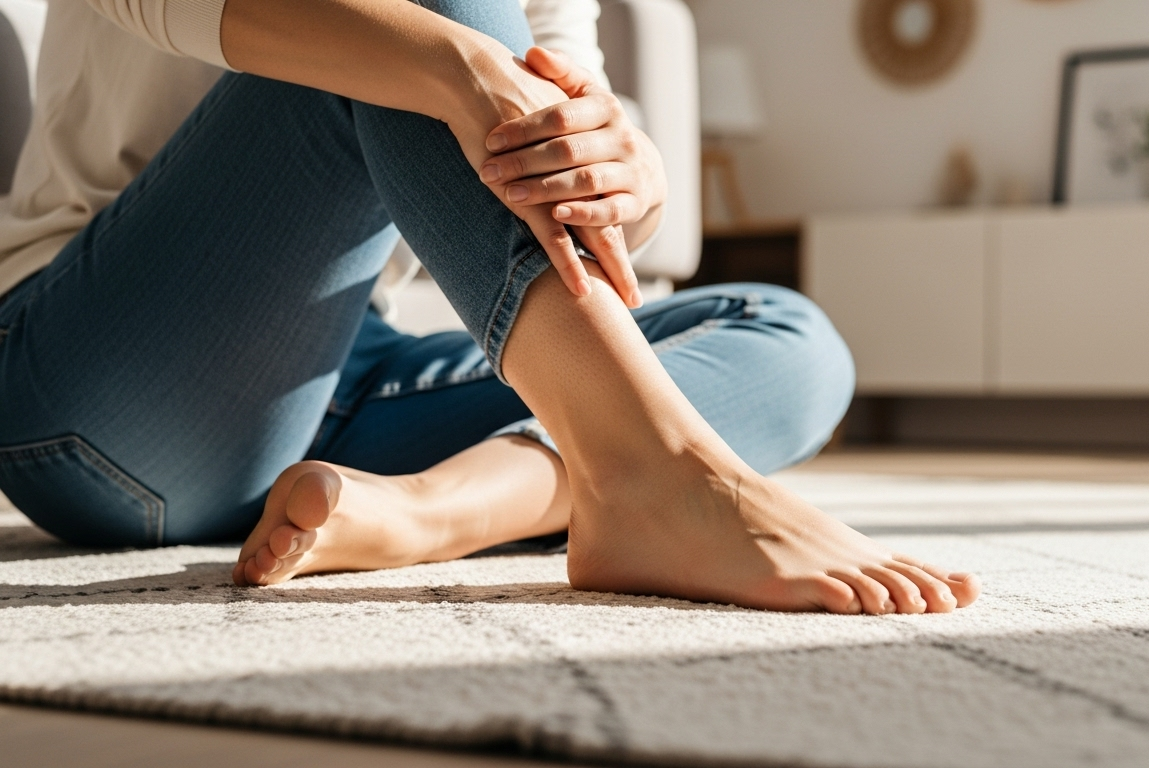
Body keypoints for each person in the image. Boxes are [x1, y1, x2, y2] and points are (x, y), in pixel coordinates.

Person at [0, 0, 979, 616]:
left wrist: (627, 171)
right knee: (420, 32)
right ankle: (657, 468)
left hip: (336, 377)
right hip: (97, 389)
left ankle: (436, 510)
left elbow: (560, 95)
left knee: (790, 339)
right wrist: (453, 66)